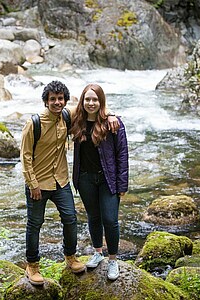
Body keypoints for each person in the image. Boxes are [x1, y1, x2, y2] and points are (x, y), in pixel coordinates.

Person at [20, 80, 119, 285]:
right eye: (52, 99)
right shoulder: (34, 124)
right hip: (38, 182)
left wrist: (110, 114)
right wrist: (33, 184)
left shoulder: (67, 115)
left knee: (70, 219)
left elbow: (91, 105)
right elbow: (26, 156)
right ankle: (32, 266)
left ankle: (70, 257)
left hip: (61, 180)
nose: (57, 102)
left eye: (60, 99)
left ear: (65, 101)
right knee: (35, 224)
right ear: (46, 102)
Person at [71, 83, 129, 281]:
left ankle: (113, 259)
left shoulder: (113, 124)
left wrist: (122, 185)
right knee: (93, 217)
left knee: (110, 220)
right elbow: (56, 111)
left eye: (95, 99)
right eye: (87, 99)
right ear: (82, 101)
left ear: (101, 101)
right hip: (85, 178)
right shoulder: (76, 120)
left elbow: (122, 154)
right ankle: (98, 252)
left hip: (108, 179)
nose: (91, 103)